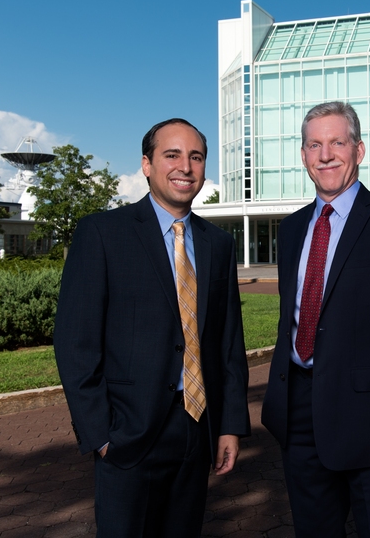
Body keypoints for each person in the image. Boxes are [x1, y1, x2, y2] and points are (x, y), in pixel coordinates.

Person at [54, 118, 250, 538]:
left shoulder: (218, 243)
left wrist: (230, 424)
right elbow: (76, 343)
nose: (185, 166)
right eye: (172, 155)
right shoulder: (103, 233)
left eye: (196, 157)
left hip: (196, 429)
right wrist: (101, 434)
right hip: (128, 434)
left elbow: (228, 342)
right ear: (146, 165)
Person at [261, 101, 370, 537]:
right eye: (314, 145)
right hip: (299, 413)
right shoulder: (291, 229)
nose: (326, 155)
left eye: (337, 142)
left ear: (359, 150)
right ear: (303, 156)